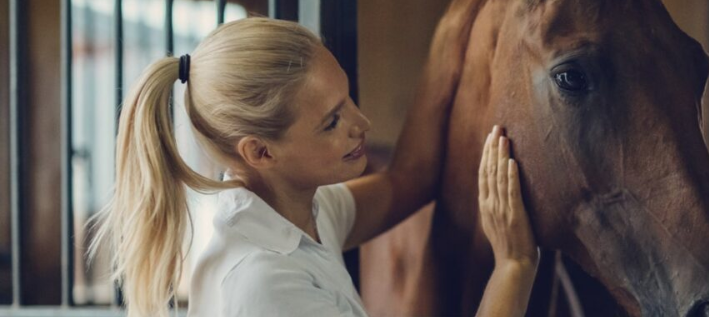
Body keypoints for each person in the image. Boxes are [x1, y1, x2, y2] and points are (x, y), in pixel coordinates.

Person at [88, 17, 538, 317]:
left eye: (348, 99)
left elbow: (408, 181)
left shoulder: (299, 212)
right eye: (332, 121)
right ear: (260, 152)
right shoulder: (265, 284)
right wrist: (514, 266)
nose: (361, 124)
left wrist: (457, 28)